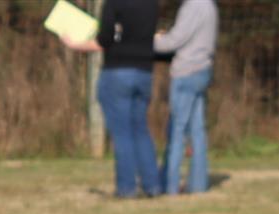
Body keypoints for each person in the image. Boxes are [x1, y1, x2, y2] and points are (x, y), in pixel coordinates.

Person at [76, 0, 166, 200]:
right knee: (140, 129)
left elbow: (105, 39)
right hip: (144, 71)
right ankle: (152, 185)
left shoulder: (114, 3)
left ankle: (127, 187)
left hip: (117, 70)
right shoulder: (151, 4)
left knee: (122, 132)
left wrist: (76, 43)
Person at [155, 0, 217, 195]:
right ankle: (198, 184)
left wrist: (149, 40)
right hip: (202, 70)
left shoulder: (192, 6)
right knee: (197, 130)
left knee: (177, 129)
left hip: (186, 72)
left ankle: (170, 185)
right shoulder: (209, 5)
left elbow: (175, 41)